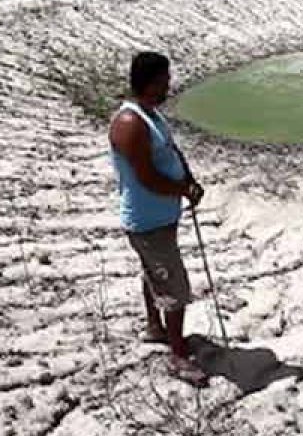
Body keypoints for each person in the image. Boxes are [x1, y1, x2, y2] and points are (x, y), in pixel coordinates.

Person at [109, 51, 208, 387]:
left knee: (154, 273)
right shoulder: (129, 123)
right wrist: (182, 188)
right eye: (165, 79)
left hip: (161, 218)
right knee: (175, 287)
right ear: (151, 83)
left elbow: (171, 150)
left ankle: (155, 327)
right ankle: (178, 355)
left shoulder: (151, 115)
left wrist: (189, 180)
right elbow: (146, 176)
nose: (170, 84)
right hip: (147, 222)